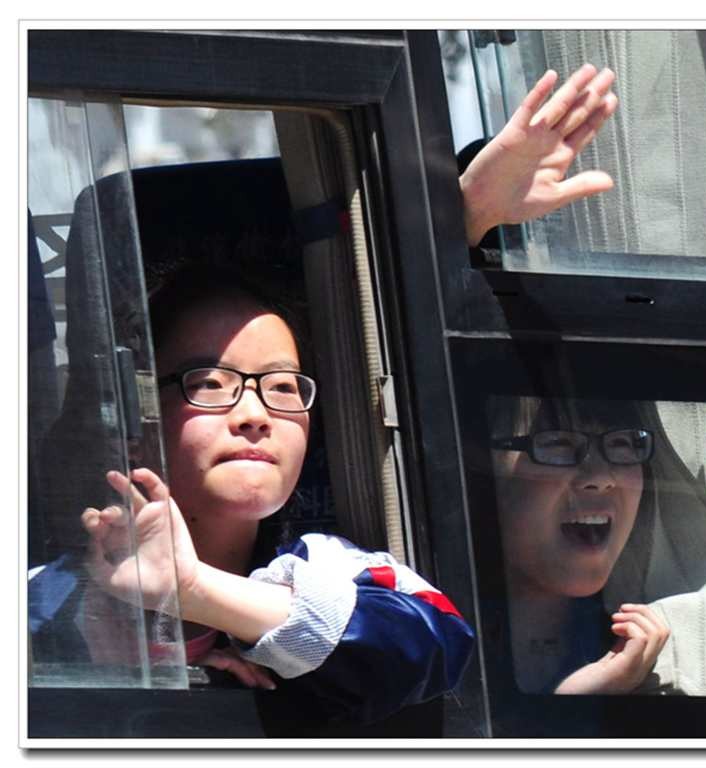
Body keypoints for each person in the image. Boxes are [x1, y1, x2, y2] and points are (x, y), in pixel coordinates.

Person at [28, 63, 622, 723]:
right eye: (212, 383)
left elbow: (431, 645)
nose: (255, 414)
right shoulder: (41, 602)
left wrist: (194, 591)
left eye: (283, 387)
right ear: (136, 418)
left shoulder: (330, 571)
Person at [488, 396, 706, 696]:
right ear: (481, 461)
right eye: (558, 443)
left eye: (622, 443)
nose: (600, 477)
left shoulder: (666, 660)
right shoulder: (446, 634)